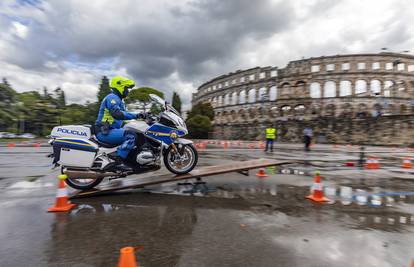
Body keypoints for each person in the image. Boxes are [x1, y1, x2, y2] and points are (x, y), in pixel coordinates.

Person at [95, 75, 145, 171]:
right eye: (126, 88)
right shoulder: (112, 97)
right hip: (104, 131)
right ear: (120, 87)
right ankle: (118, 161)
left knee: (138, 133)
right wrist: (137, 115)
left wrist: (144, 118)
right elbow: (117, 114)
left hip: (112, 130)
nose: (128, 91)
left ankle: (132, 161)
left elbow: (124, 115)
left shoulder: (120, 101)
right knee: (131, 136)